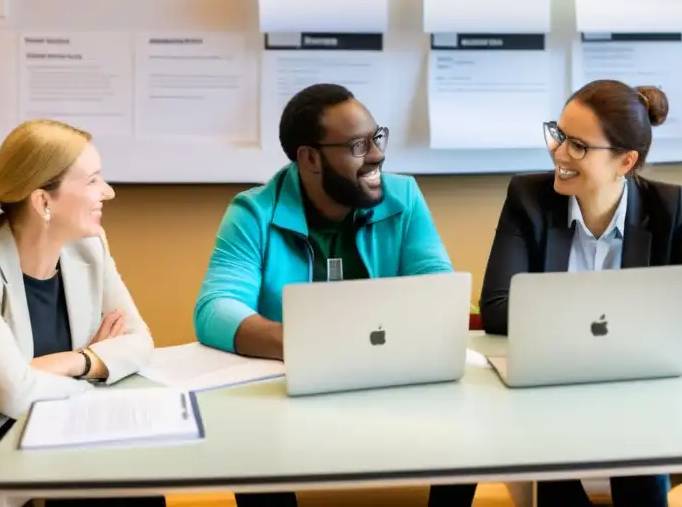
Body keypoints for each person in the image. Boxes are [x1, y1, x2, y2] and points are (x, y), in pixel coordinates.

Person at [194, 83, 476, 507]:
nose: (378, 154)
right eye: (358, 146)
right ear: (309, 157)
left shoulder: (404, 198)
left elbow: (437, 287)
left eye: (376, 138)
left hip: (390, 377)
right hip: (291, 387)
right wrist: (304, 344)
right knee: (243, 435)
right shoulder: (253, 212)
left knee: (470, 419)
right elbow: (215, 309)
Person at [480, 80, 682, 506]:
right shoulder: (528, 198)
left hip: (636, 394)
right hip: (548, 393)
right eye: (558, 135)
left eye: (577, 145)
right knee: (553, 460)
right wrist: (629, 319)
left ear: (625, 161)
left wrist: (588, 323)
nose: (558, 153)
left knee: (636, 447)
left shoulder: (670, 206)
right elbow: (498, 308)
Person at [0, 120, 160, 507]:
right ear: (43, 202)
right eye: (93, 180)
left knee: (135, 480)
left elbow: (140, 340)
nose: (108, 192)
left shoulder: (90, 249)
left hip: (59, 430)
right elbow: (13, 396)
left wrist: (75, 361)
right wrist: (97, 376)